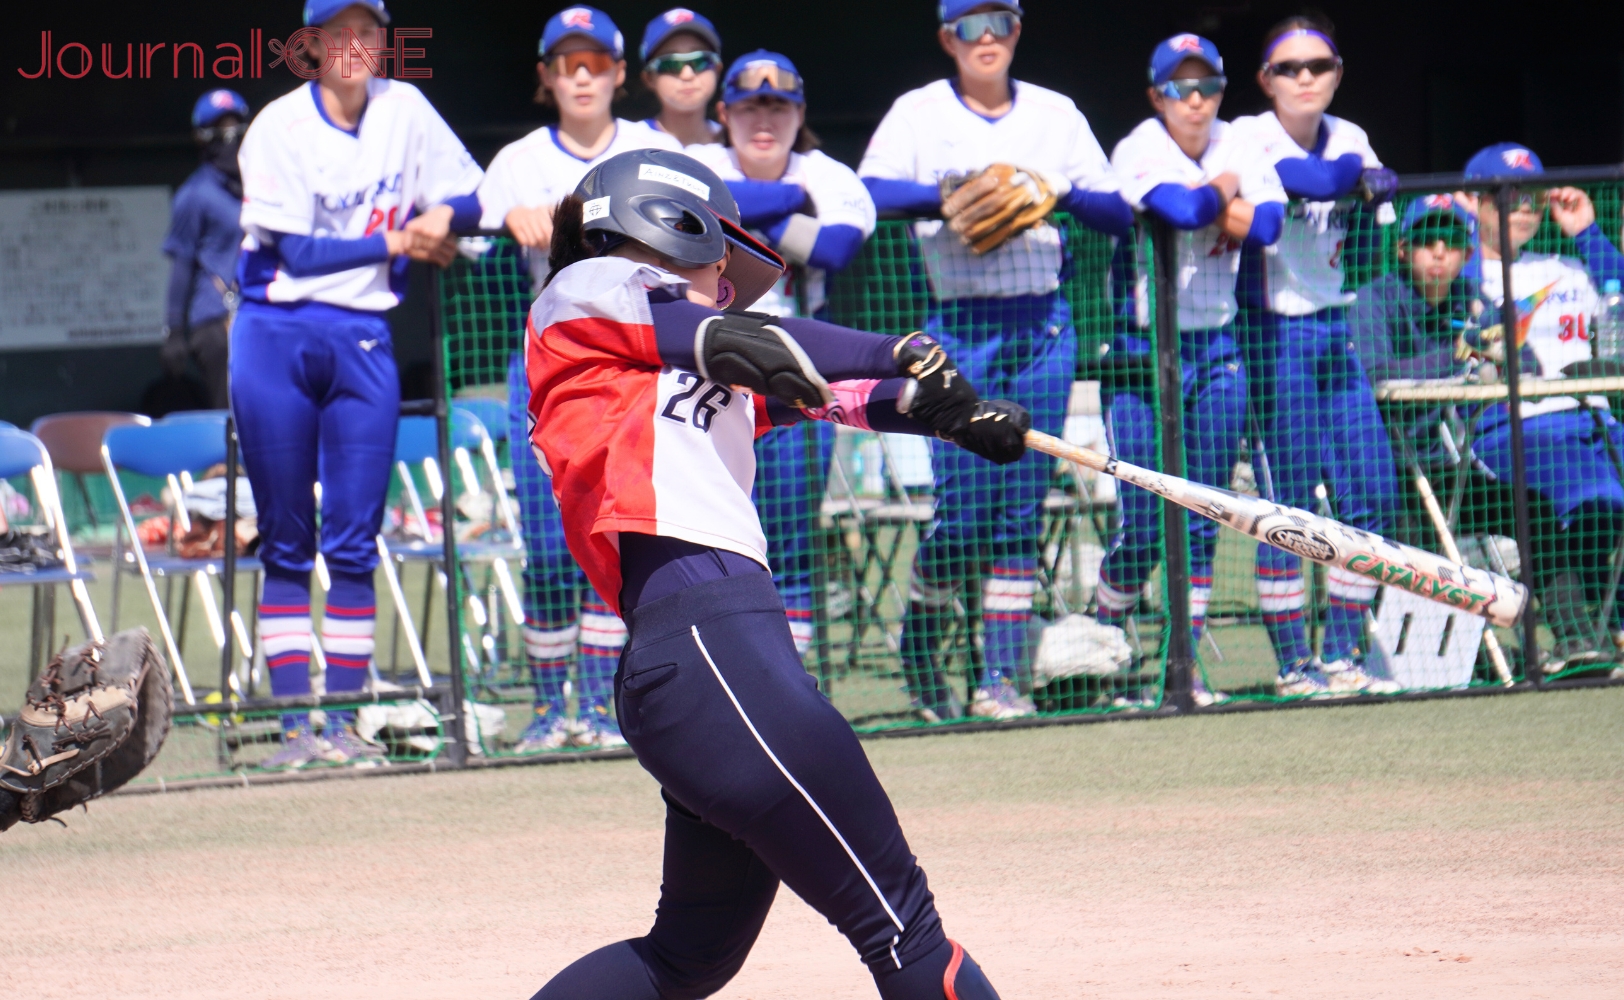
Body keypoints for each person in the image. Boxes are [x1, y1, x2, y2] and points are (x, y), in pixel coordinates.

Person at [524, 145, 1016, 1000]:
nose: (725, 278)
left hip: (713, 661)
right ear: (665, 225)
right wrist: (892, 345)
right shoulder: (587, 290)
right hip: (711, 648)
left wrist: (952, 414)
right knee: (906, 932)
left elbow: (819, 389)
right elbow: (746, 341)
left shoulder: (667, 372)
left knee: (690, 958)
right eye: (720, 257)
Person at [858, 0, 1132, 721]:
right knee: (963, 512)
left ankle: (1000, 679)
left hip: (1042, 321)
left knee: (1020, 506)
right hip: (958, 326)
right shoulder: (919, 113)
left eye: (1000, 24)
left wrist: (1057, 189)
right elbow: (869, 193)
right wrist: (944, 194)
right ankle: (922, 655)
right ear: (947, 38)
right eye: (970, 27)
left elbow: (1116, 208)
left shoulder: (1055, 113)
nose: (987, 39)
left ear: (1017, 32)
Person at [233, 0, 483, 768]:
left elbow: (478, 197)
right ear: (309, 44)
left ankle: (340, 724)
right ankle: (295, 731)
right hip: (275, 335)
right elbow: (300, 255)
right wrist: (402, 236)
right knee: (285, 541)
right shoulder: (277, 123)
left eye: (366, 30)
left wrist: (441, 211)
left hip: (364, 336)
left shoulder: (405, 107)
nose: (351, 45)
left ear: (383, 39)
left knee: (352, 540)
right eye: (334, 32)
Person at [477, 5, 683, 751]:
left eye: (597, 60)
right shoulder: (520, 158)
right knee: (544, 536)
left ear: (622, 73)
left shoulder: (653, 146)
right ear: (547, 76)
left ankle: (601, 707)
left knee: (617, 532)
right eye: (568, 62)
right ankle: (544, 711)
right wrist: (509, 213)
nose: (584, 74)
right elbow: (474, 207)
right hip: (550, 367)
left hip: (639, 365)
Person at [1097, 35, 1285, 705]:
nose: (1196, 99)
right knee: (1145, 522)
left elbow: (1268, 229)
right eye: (1180, 87)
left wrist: (1215, 193)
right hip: (1141, 355)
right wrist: (1227, 189)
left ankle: (1184, 667)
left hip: (1215, 347)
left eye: (1207, 85)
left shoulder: (1237, 138)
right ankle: (1101, 635)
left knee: (1203, 514)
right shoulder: (1139, 145)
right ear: (1157, 95)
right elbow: (1180, 211)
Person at [1230, 14, 1401, 695]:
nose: (1305, 78)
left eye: (1319, 66)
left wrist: (1366, 174)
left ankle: (1344, 654)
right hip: (1270, 331)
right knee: (1289, 504)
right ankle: (1292, 663)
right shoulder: (1248, 134)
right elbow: (1311, 177)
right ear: (1265, 79)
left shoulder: (1350, 134)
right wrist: (1363, 174)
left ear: (1337, 73)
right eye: (1289, 68)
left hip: (1335, 328)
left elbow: (1366, 204)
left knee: (1371, 490)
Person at [687, 51, 877, 660]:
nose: (763, 119)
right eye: (748, 106)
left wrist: (737, 212)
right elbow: (681, 211)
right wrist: (788, 200)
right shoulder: (698, 160)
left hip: (793, 371)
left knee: (791, 541)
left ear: (800, 113)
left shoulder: (824, 169)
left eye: (778, 105)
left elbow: (838, 248)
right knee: (703, 540)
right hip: (701, 375)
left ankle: (790, 682)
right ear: (724, 113)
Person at [1454, 144, 1624, 670]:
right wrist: (1459, 225)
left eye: (1530, 196)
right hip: (1514, 426)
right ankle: (1600, 626)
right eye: (1505, 196)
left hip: (1595, 418)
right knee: (1596, 492)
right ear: (1472, 200)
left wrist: (1587, 232)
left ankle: (1607, 625)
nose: (1522, 207)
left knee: (1601, 487)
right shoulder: (1455, 271)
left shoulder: (1569, 265)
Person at [159, 89, 250, 410]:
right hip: (216, 319)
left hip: (260, 312)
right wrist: (173, 330)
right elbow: (182, 263)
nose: (230, 139)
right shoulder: (195, 194)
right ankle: (226, 463)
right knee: (229, 409)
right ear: (203, 137)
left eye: (235, 130)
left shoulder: (258, 185)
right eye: (220, 131)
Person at [638, 7, 724, 146]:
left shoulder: (741, 146)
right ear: (649, 78)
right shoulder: (627, 143)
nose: (687, 75)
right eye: (670, 64)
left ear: (717, 69)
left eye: (700, 61)